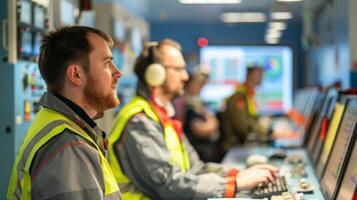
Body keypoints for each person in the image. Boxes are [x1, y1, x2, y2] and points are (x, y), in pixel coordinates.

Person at [108, 39, 278, 199]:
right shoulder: (139, 121)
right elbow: (167, 184)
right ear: (155, 74)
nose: (186, 77)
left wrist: (238, 174)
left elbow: (196, 169)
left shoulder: (163, 117)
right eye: (178, 69)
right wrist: (234, 184)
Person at [7, 26, 122, 200]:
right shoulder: (69, 147)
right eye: (107, 63)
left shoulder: (55, 124)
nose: (118, 73)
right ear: (75, 74)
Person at [221, 65, 271, 151]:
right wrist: (262, 129)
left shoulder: (248, 95)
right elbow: (242, 127)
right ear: (251, 75)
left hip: (243, 145)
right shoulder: (239, 97)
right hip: (235, 147)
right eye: (259, 75)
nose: (262, 78)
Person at [182, 67, 220, 162]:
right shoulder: (187, 103)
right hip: (197, 152)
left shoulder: (197, 102)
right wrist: (213, 124)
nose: (200, 85)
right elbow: (200, 129)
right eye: (198, 82)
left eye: (202, 83)